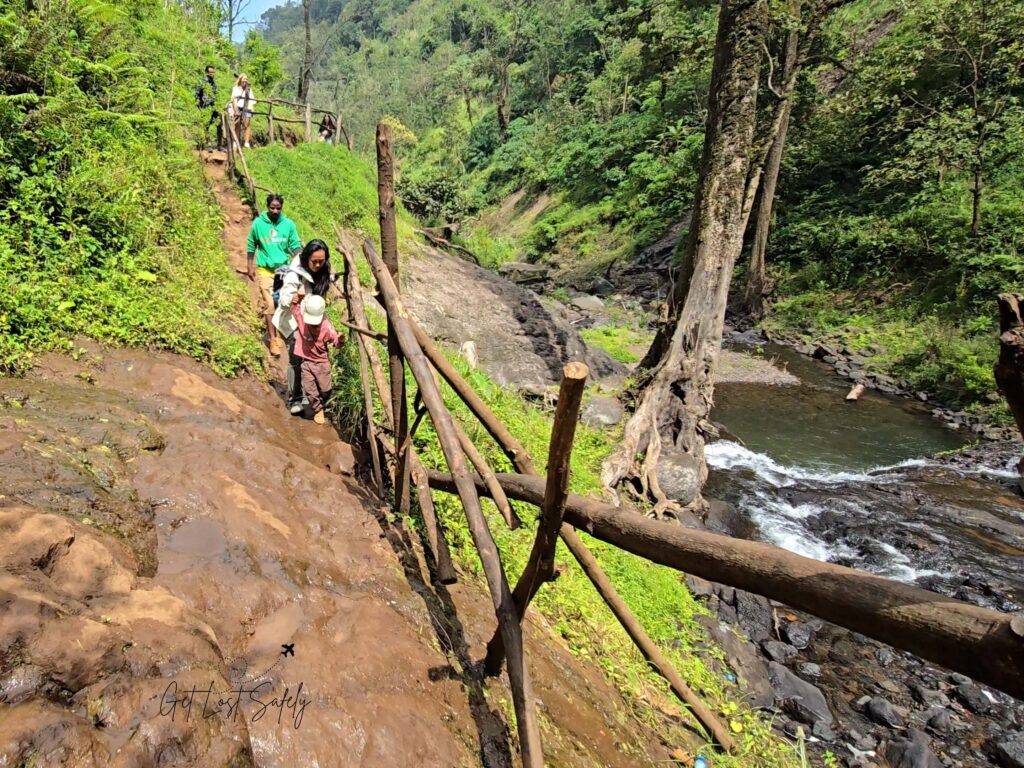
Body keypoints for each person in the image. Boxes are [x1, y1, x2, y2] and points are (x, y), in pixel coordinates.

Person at [273, 239, 335, 414]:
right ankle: (295, 399)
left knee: (310, 358)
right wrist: (290, 299)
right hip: (292, 321)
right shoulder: (295, 274)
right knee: (296, 359)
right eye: (314, 261)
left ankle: (310, 394)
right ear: (306, 257)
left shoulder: (323, 269)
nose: (317, 265)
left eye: (321, 261)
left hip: (311, 320)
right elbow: (285, 296)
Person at [246, 194, 302, 356]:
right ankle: (273, 340)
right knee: (270, 303)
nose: (275, 211)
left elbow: (295, 245)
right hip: (265, 269)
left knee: (283, 302)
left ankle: (283, 331)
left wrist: (302, 261)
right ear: (267, 206)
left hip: (283, 270)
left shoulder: (288, 225)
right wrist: (249, 265)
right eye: (272, 208)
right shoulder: (258, 224)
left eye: (278, 208)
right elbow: (251, 244)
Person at [290, 294, 345, 424]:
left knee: (326, 389)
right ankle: (318, 408)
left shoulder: (326, 327)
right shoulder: (302, 319)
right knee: (309, 390)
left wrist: (341, 340)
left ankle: (324, 402)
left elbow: (336, 342)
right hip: (307, 362)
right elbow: (294, 309)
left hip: (322, 363)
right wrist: (296, 299)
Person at [195, 65, 223, 150]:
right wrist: (200, 107)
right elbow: (197, 95)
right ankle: (209, 144)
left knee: (219, 124)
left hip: (214, 106)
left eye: (213, 72)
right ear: (207, 72)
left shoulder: (213, 83)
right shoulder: (202, 82)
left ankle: (219, 145)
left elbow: (216, 94)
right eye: (210, 72)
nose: (212, 74)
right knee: (206, 126)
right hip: (205, 107)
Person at [228, 74, 256, 148]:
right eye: (244, 79)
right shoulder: (236, 88)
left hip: (248, 109)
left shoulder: (249, 89)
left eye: (246, 79)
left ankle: (246, 143)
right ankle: (235, 141)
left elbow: (251, 100)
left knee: (247, 124)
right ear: (240, 79)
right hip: (238, 108)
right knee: (237, 125)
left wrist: (252, 109)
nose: (245, 80)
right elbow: (234, 100)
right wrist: (236, 110)